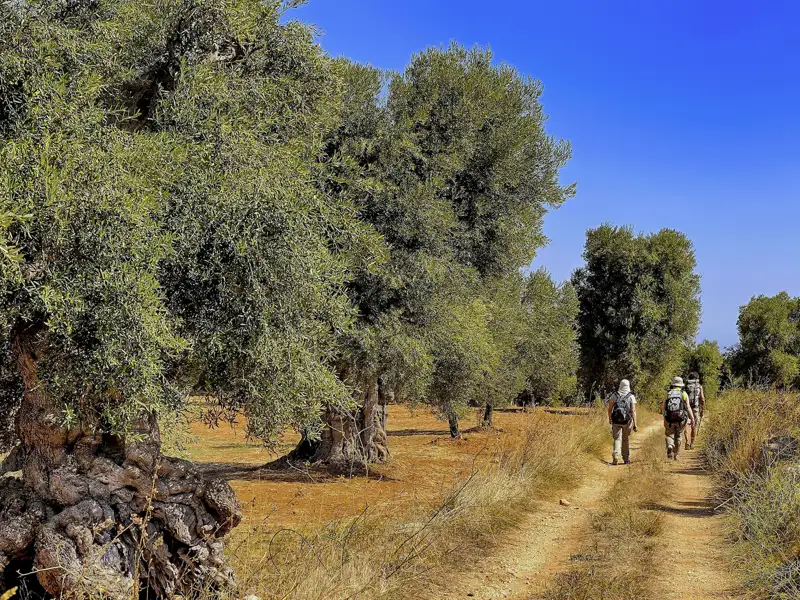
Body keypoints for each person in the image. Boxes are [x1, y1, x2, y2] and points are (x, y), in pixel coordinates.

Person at [662, 376, 695, 461]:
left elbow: (663, 407)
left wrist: (665, 418)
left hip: (669, 418)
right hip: (681, 419)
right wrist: (692, 418)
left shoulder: (668, 394)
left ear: (673, 384)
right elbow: (688, 407)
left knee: (669, 434)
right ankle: (676, 455)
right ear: (681, 385)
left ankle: (670, 445)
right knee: (679, 436)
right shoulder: (683, 394)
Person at [607, 379, 638, 465]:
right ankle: (626, 459)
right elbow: (633, 411)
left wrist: (610, 418)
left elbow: (610, 409)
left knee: (617, 439)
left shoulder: (614, 395)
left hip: (616, 421)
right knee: (625, 439)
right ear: (628, 386)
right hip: (627, 421)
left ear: (620, 385)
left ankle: (615, 457)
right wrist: (635, 424)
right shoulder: (631, 396)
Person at [684, 372, 705, 451]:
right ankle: (691, 444)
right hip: (695, 408)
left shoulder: (685, 386)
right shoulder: (699, 386)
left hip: (686, 408)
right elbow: (702, 399)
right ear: (697, 378)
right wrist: (702, 410)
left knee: (686, 424)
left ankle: (687, 442)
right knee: (694, 426)